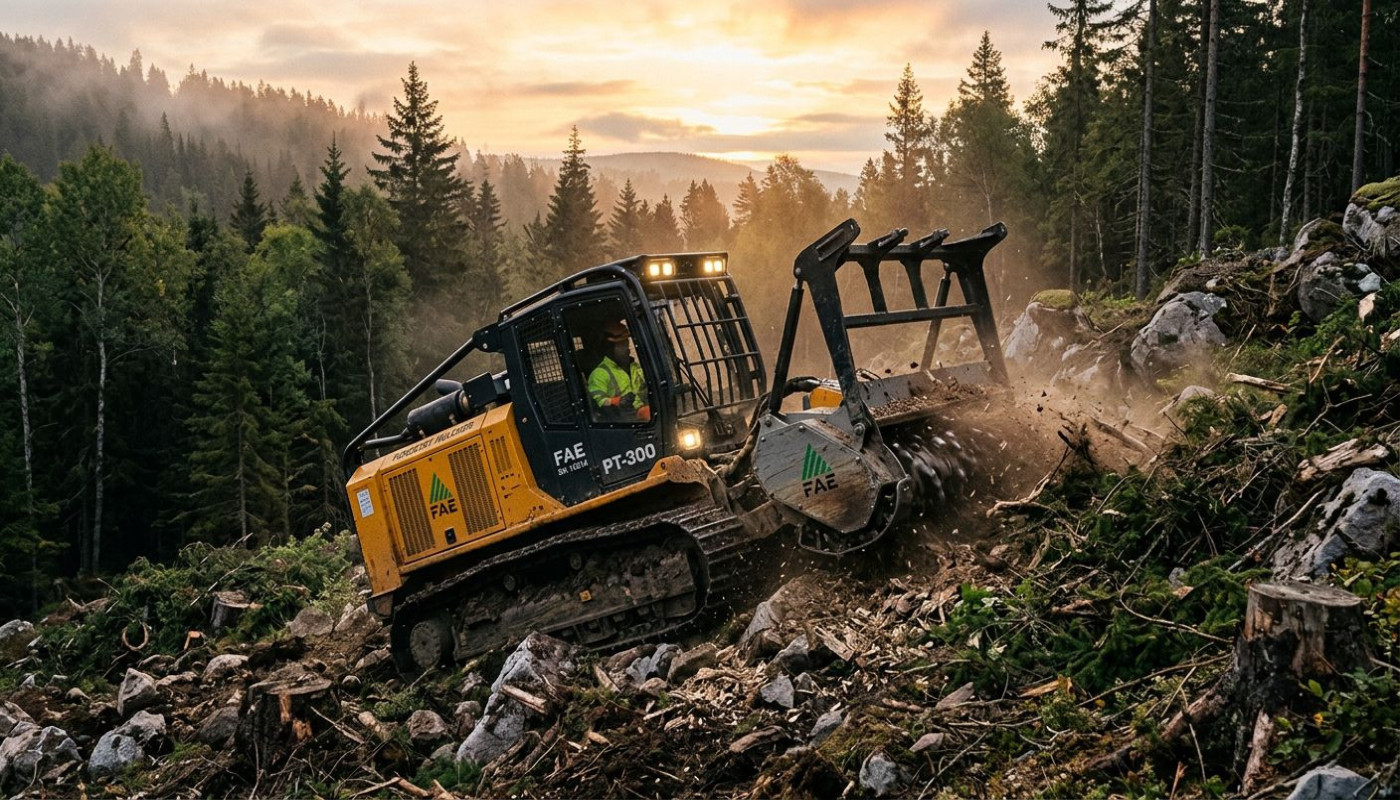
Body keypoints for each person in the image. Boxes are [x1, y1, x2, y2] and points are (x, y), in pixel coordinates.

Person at [587, 320, 651, 422]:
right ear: (609, 348)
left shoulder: (635, 367)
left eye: (627, 343)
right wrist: (618, 401)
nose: (628, 349)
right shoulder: (599, 374)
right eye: (622, 345)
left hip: (643, 413)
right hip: (623, 419)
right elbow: (597, 403)